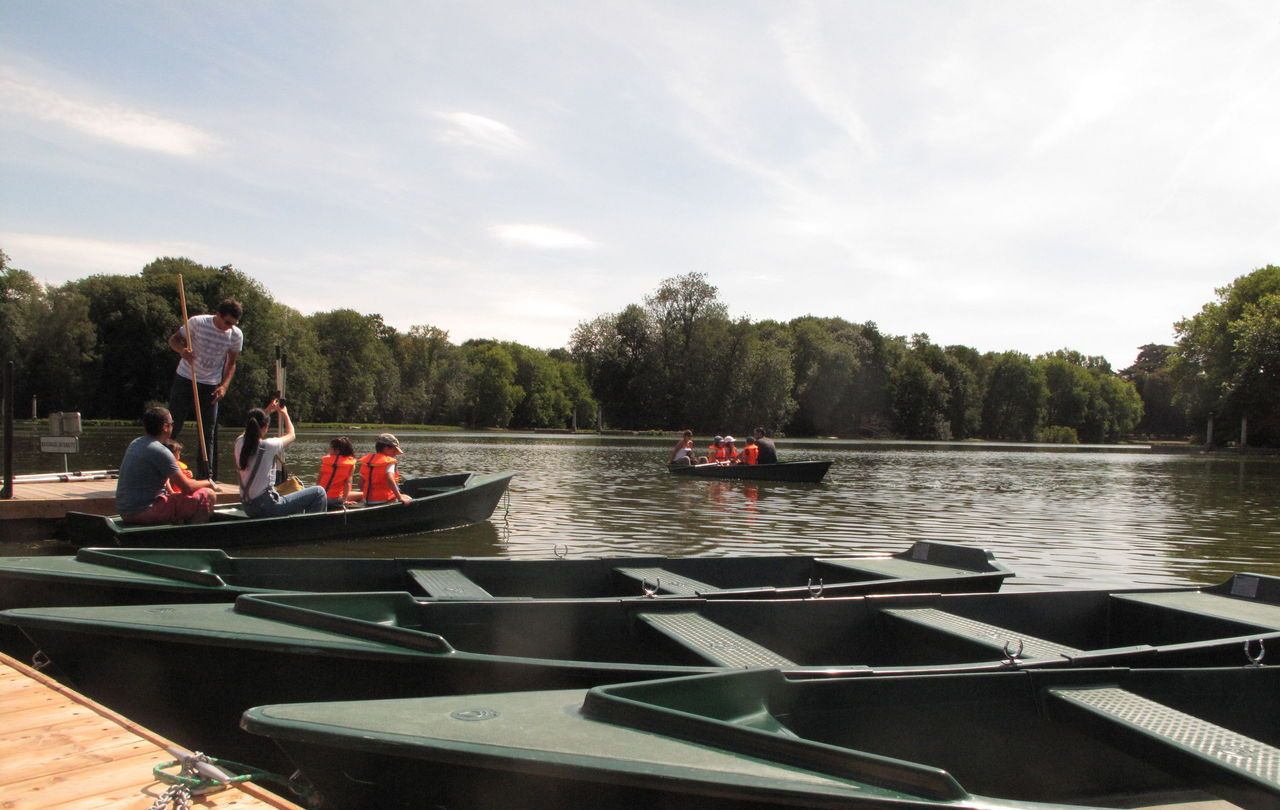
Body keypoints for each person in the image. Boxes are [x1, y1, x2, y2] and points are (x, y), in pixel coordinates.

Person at [167, 298, 244, 480]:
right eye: (226, 322)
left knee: (208, 432)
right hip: (186, 377)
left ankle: (206, 476)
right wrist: (182, 351)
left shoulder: (235, 335)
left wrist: (224, 386)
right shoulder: (198, 323)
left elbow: (231, 363)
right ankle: (163, 470)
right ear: (218, 315)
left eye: (233, 324)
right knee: (173, 425)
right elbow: (173, 340)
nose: (228, 327)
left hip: (211, 383)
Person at [116, 407, 217, 525]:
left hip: (125, 511)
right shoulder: (161, 451)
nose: (173, 426)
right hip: (144, 512)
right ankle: (194, 537)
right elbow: (187, 487)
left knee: (176, 499)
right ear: (165, 427)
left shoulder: (135, 443)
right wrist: (209, 482)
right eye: (172, 424)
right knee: (207, 494)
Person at [234, 400, 327, 518]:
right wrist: (285, 414)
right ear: (266, 427)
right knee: (319, 492)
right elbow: (292, 434)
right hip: (268, 507)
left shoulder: (239, 442)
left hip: (248, 507)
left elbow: (250, 428)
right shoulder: (268, 446)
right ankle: (310, 529)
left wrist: (267, 411)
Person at [359, 433, 413, 505]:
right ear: (386, 449)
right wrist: (400, 498)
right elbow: (390, 479)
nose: (395, 454)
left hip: (367, 500)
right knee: (408, 498)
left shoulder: (367, 462)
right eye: (394, 451)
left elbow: (360, 484)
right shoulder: (388, 462)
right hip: (384, 500)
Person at [318, 436, 362, 507]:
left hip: (319, 497)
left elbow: (318, 480)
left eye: (330, 448)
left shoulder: (326, 462)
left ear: (337, 450)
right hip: (334, 500)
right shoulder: (350, 464)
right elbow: (348, 484)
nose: (328, 449)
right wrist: (344, 500)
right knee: (363, 494)